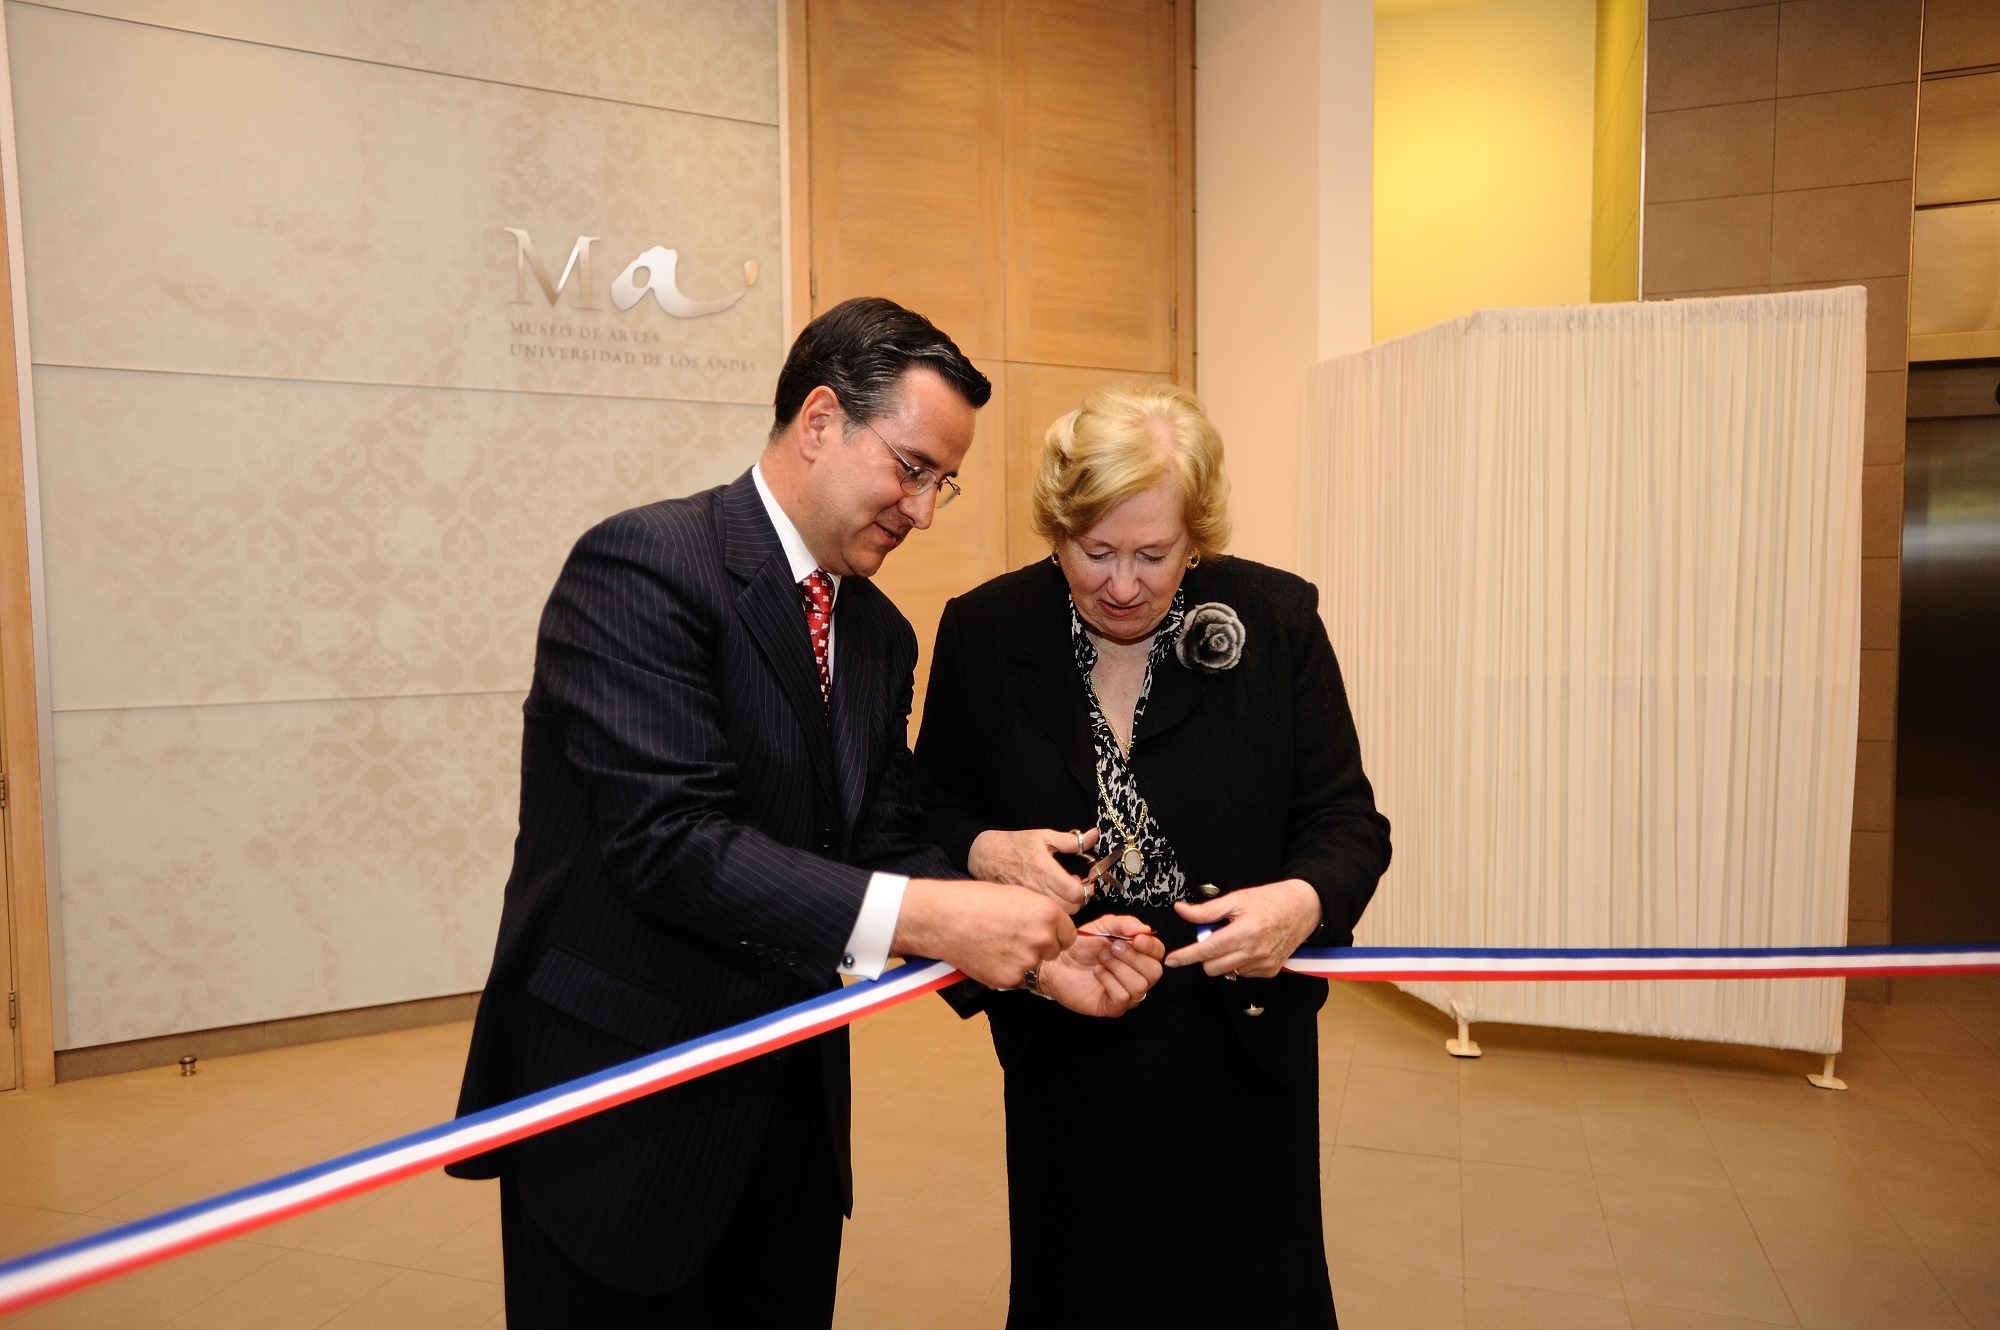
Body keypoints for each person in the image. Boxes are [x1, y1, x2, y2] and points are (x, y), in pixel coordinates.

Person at [446, 297, 1165, 1329]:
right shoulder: (644, 565)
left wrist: (1040, 952)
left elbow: (877, 843)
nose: (922, 511)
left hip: (790, 1122)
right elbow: (672, 847)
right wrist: (934, 919)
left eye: (942, 485)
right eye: (912, 468)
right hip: (626, 1114)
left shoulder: (874, 632)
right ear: (820, 420)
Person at [914, 382, 1392, 1329]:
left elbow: (1348, 825)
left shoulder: (1277, 620)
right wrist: (984, 848)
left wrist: (1301, 901)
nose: (1122, 584)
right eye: (1094, 553)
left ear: (1197, 536)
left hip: (1242, 1048)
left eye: (1154, 554)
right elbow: (928, 819)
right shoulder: (985, 631)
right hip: (1067, 1041)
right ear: (1057, 529)